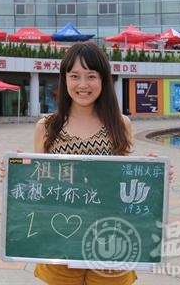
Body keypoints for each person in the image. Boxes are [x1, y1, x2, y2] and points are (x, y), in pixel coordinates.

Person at [33, 41, 138, 285]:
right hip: (60, 242)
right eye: (75, 76)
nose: (83, 84)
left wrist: (154, 173)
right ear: (64, 79)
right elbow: (38, 183)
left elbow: (126, 178)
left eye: (91, 76)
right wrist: (15, 170)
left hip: (110, 242)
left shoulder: (120, 124)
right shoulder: (47, 127)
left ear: (103, 80)